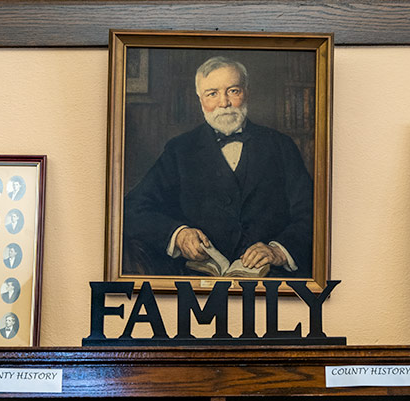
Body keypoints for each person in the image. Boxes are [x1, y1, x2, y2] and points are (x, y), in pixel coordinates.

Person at [123, 56, 313, 277]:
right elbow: (132, 209)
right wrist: (179, 235)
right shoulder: (179, 150)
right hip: (196, 283)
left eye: (233, 91)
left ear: (247, 92)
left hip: (271, 281)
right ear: (200, 100)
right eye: (212, 94)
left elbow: (311, 214)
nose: (224, 103)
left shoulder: (281, 146)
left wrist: (278, 250)